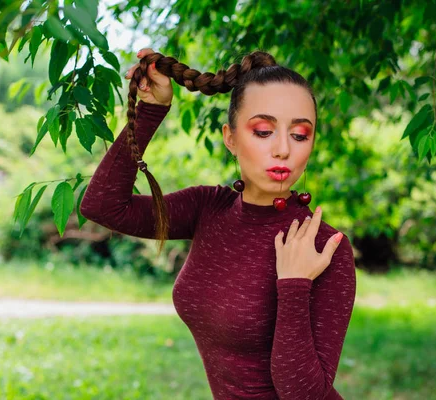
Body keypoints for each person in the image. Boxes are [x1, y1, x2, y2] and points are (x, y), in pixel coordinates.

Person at [80, 48, 356, 400]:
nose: (284, 149)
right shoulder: (208, 208)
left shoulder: (324, 247)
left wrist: (294, 284)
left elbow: (303, 395)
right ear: (230, 137)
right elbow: (104, 205)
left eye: (300, 135)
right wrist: (150, 111)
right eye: (263, 131)